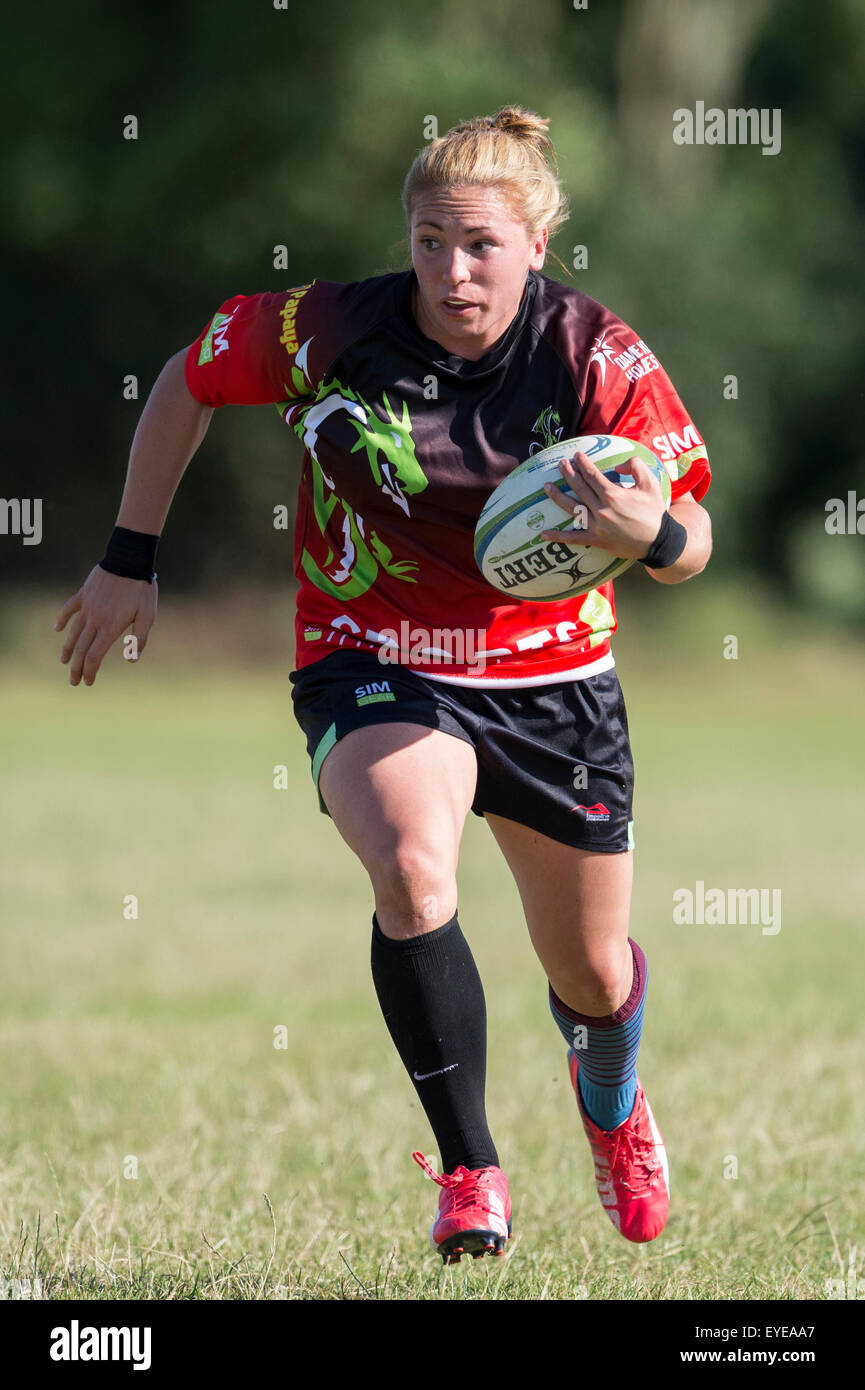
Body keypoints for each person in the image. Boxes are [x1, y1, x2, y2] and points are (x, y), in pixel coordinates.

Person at [56, 107, 712, 1264]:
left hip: (553, 680)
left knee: (594, 976)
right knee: (412, 866)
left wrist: (652, 531)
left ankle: (610, 1102)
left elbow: (695, 532)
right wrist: (128, 554)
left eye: (479, 247)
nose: (450, 273)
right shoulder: (332, 328)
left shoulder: (591, 352)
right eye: (427, 242)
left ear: (537, 243)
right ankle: (469, 1169)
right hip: (376, 655)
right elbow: (189, 375)